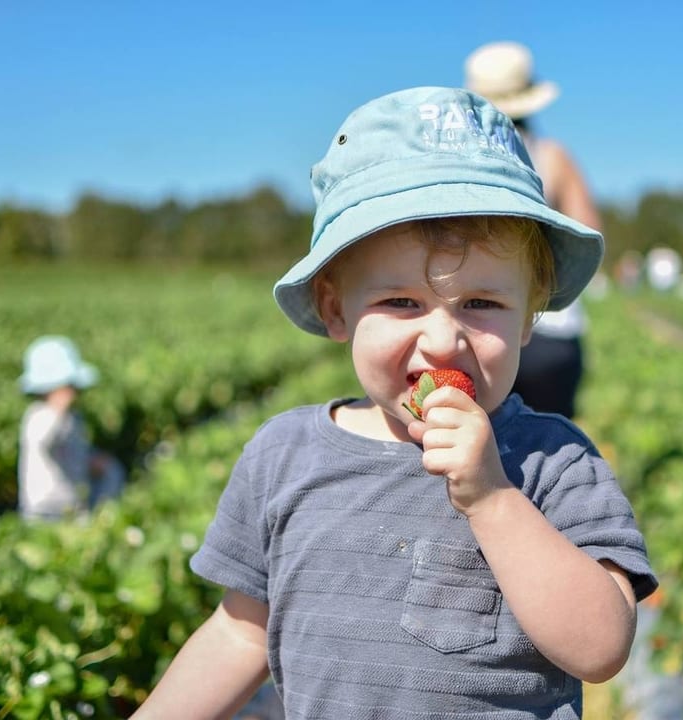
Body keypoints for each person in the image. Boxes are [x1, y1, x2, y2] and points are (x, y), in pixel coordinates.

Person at [131, 86, 656, 719]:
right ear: (335, 309)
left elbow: (600, 647)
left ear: (529, 318)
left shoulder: (553, 462)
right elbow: (238, 633)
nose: (442, 340)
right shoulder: (282, 457)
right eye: (401, 302)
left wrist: (493, 499)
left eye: (482, 304)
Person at [464, 41, 602, 419]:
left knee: (474, 448)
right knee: (549, 453)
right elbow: (588, 231)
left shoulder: (462, 162)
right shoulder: (551, 156)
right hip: (550, 325)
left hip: (475, 326)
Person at [17, 335, 125, 520]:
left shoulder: (73, 417)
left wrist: (91, 460)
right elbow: (43, 441)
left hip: (71, 504)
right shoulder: (38, 416)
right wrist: (57, 409)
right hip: (44, 510)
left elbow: (76, 450)